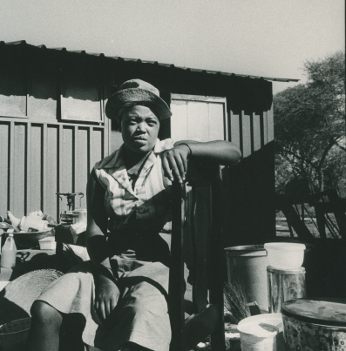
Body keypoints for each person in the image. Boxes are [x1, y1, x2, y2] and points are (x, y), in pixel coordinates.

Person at [26, 79, 241, 351]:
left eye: (150, 122)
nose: (142, 128)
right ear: (120, 124)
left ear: (159, 127)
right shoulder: (102, 170)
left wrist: (187, 148)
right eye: (133, 120)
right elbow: (94, 230)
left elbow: (234, 152)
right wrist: (104, 279)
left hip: (162, 267)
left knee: (143, 320)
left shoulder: (171, 154)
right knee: (45, 309)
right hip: (107, 263)